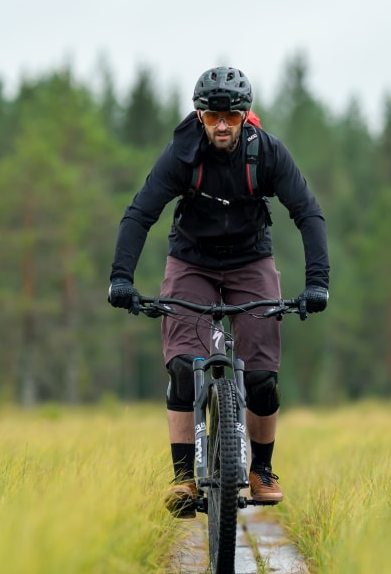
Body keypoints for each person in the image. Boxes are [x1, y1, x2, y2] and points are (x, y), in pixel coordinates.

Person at [108, 64, 329, 514]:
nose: (222, 125)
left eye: (231, 116)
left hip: (251, 260)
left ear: (247, 115)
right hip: (192, 261)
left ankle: (261, 470)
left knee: (263, 374)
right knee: (185, 367)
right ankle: (184, 479)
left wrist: (317, 284)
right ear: (199, 115)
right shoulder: (180, 154)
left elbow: (307, 212)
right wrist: (121, 278)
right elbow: (139, 214)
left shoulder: (266, 153)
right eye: (212, 117)